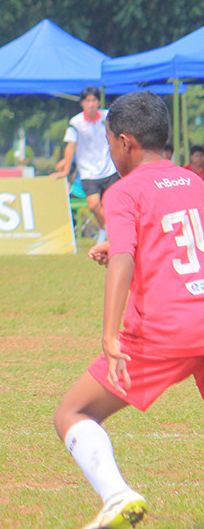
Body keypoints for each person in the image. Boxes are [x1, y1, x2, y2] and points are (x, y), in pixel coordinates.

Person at [53, 91, 204, 529]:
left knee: (72, 413)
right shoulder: (195, 182)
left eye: (109, 143)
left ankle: (117, 496)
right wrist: (119, 245)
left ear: (125, 143)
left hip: (164, 331)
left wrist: (110, 334)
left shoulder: (122, 192)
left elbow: (124, 257)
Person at [53, 87, 120, 242]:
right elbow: (70, 146)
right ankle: (107, 229)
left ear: (98, 102)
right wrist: (66, 170)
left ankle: (111, 233)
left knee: (114, 205)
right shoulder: (76, 122)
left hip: (109, 169)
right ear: (82, 103)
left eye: (94, 100)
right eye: (87, 101)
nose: (91, 104)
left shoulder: (107, 116)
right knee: (93, 204)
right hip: (88, 172)